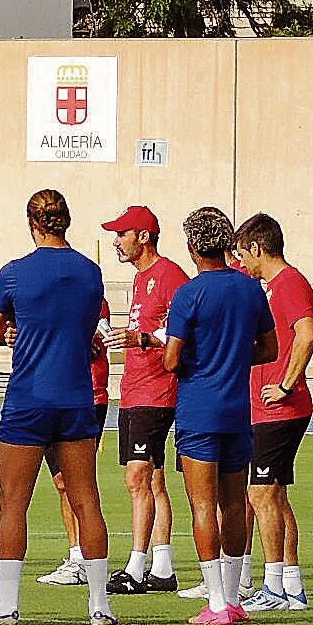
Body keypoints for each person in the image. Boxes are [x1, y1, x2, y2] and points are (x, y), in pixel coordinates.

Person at [0, 190, 116, 625]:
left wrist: (20, 328)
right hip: (76, 398)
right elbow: (87, 329)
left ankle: (7, 603)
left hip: (29, 398)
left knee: (13, 501)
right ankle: (99, 605)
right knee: (86, 499)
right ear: (66, 222)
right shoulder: (91, 273)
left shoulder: (14, 273)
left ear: (32, 223)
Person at [165, 206, 279, 625]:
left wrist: (196, 353)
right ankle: (233, 597)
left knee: (202, 506)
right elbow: (269, 349)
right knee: (234, 505)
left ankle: (215, 601)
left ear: (193, 247)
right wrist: (232, 356)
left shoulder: (189, 294)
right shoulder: (249, 289)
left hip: (199, 410)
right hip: (236, 410)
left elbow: (172, 360)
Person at [101, 206, 188, 594]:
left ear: (144, 236)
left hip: (156, 389)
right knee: (152, 478)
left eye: (122, 234)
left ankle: (135, 567)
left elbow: (185, 323)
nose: (116, 241)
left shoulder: (168, 274)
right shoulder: (141, 280)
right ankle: (163, 567)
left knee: (136, 475)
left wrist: (147, 338)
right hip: (135, 387)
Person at [236, 213, 313, 611]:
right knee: (276, 498)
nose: (243, 263)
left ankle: (272, 588)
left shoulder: (289, 284)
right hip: (267, 408)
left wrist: (286, 384)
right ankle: (292, 586)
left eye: (243, 254)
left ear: (257, 248)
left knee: (261, 495)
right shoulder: (272, 286)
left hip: (280, 409)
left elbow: (307, 334)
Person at [36, 293, 114, 587]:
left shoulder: (92, 300)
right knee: (61, 482)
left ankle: (88, 559)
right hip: (51, 395)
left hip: (87, 396)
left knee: (78, 482)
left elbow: (94, 343)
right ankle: (76, 554)